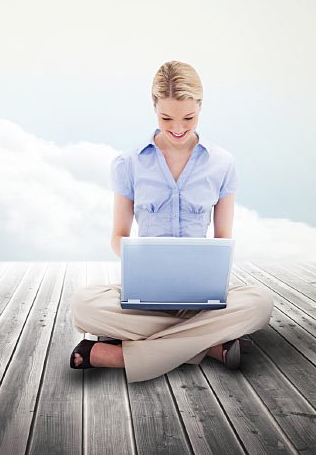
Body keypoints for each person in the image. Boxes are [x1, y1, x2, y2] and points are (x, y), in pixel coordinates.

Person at [69, 60, 274, 383]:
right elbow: (118, 235)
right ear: (153, 108)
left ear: (201, 107)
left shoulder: (223, 164)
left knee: (260, 303)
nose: (178, 127)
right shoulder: (129, 163)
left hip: (200, 297)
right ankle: (207, 347)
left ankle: (116, 354)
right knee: (83, 306)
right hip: (144, 296)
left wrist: (205, 272)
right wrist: (146, 263)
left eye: (188, 118)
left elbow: (223, 238)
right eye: (166, 118)